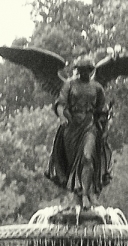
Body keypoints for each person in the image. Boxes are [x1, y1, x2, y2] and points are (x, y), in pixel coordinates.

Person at [45, 56, 112, 209]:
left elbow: (102, 110)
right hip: (72, 127)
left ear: (91, 71)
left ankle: (88, 194)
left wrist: (105, 126)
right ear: (78, 71)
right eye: (81, 71)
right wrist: (62, 117)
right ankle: (76, 198)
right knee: (73, 164)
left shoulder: (97, 88)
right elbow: (60, 103)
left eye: (87, 71)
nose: (84, 74)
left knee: (87, 158)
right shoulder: (69, 85)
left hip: (89, 126)